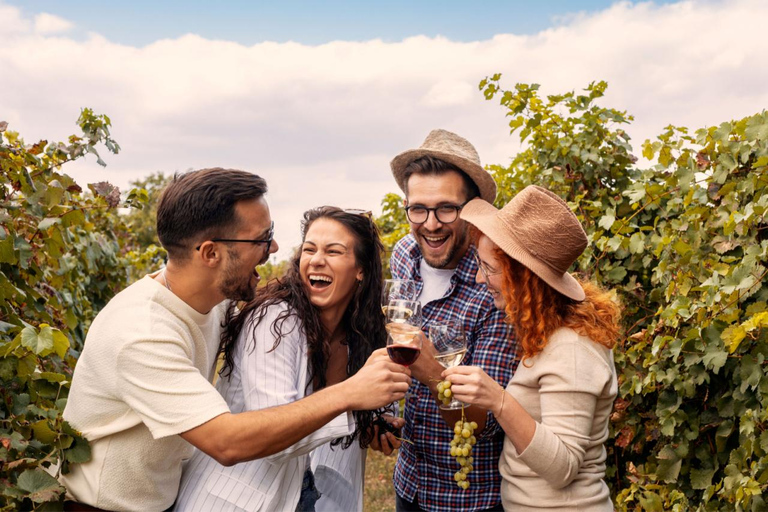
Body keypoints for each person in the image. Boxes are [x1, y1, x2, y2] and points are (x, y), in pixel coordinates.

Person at [57, 169, 411, 512]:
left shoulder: (212, 300)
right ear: (211, 254)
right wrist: (350, 393)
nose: (273, 247)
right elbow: (227, 442)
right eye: (260, 238)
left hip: (161, 499)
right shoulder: (142, 332)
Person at [174, 206, 386, 511]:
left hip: (301, 495)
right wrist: (353, 402)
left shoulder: (360, 335)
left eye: (334, 251)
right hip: (232, 500)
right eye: (309, 249)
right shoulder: (275, 320)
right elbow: (275, 435)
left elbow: (329, 421)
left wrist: (371, 422)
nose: (316, 259)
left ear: (361, 269)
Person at [443, 185, 621, 511]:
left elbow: (561, 468)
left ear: (524, 277)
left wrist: (498, 400)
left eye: (490, 269)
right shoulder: (550, 332)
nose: (481, 281)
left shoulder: (572, 350)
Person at [374, 129, 517, 512]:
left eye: (446, 209)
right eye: (418, 209)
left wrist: (433, 372)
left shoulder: (496, 284)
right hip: (410, 482)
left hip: (470, 497)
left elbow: (489, 423)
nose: (431, 224)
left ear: (471, 209)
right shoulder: (405, 253)